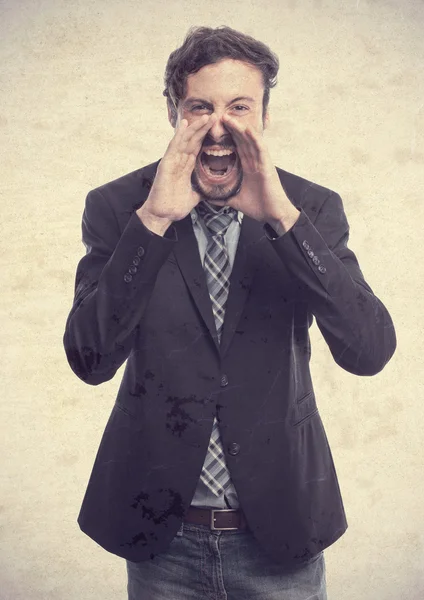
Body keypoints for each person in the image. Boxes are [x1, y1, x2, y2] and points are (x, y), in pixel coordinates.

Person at [63, 25, 396, 600]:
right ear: (174, 111)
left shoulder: (309, 207)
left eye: (240, 107)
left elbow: (368, 351)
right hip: (161, 538)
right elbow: (89, 359)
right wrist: (154, 222)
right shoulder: (120, 207)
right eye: (200, 107)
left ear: (264, 115)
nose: (221, 127)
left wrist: (285, 223)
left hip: (280, 536)